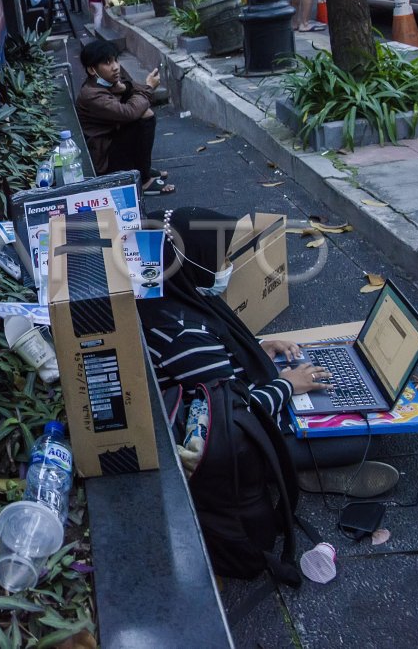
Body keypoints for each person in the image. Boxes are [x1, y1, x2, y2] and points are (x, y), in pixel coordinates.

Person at [137, 207, 400, 496]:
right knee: (363, 440)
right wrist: (287, 385)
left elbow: (214, 361)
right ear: (193, 260)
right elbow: (231, 416)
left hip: (236, 399)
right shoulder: (183, 335)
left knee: (354, 421)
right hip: (238, 439)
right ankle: (295, 473)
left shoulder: (175, 298)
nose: (227, 264)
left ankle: (304, 469)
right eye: (221, 257)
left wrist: (259, 349)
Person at [74, 39, 175, 195]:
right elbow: (130, 112)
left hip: (112, 140)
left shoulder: (105, 83)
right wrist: (148, 88)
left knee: (142, 113)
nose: (115, 67)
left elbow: (136, 98)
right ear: (92, 70)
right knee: (145, 116)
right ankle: (144, 181)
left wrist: (126, 87)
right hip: (104, 159)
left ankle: (141, 168)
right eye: (108, 63)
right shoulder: (92, 94)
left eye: (115, 60)